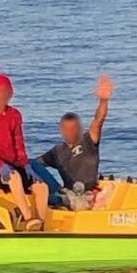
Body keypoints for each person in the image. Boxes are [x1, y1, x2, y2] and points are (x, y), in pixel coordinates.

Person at [0, 73, 49, 230]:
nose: (4, 94)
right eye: (0, 91)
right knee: (14, 177)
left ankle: (40, 225)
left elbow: (19, 145)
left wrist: (26, 165)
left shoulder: (15, 115)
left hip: (13, 164)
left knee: (41, 186)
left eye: (7, 90)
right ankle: (28, 219)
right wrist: (0, 165)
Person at [31, 75, 113, 205]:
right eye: (67, 128)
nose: (70, 132)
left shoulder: (88, 142)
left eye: (74, 128)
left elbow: (98, 121)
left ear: (80, 128)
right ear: (61, 130)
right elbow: (36, 164)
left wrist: (104, 100)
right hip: (66, 193)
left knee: (49, 199)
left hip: (85, 195)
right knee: (30, 164)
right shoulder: (57, 151)